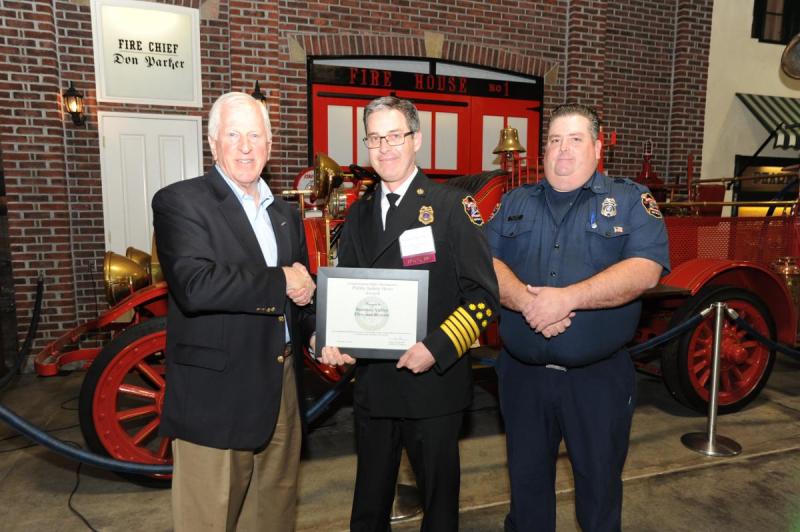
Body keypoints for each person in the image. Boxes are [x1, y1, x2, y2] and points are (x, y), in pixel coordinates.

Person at [485, 103, 670, 532]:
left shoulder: (628, 200)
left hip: (597, 381)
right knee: (527, 489)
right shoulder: (514, 201)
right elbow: (485, 264)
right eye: (553, 140)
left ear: (597, 147)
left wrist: (567, 299)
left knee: (599, 489)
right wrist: (529, 303)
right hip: (522, 377)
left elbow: (645, 269)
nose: (562, 151)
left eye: (574, 140)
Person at [319, 96, 499, 532]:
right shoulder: (359, 213)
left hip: (432, 384)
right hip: (375, 386)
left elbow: (482, 297)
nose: (385, 147)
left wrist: (435, 349)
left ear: (416, 139)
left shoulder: (451, 207)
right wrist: (333, 337)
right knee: (368, 506)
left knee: (439, 509)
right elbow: (349, 288)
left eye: (394, 136)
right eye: (374, 138)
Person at [152, 91, 316, 532]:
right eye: (233, 134)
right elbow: (195, 286)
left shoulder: (285, 214)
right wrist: (283, 280)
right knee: (210, 518)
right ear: (213, 142)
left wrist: (320, 334)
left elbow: (301, 297)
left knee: (274, 514)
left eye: (256, 135)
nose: (246, 146)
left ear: (269, 143)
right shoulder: (181, 202)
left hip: (281, 388)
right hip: (216, 397)